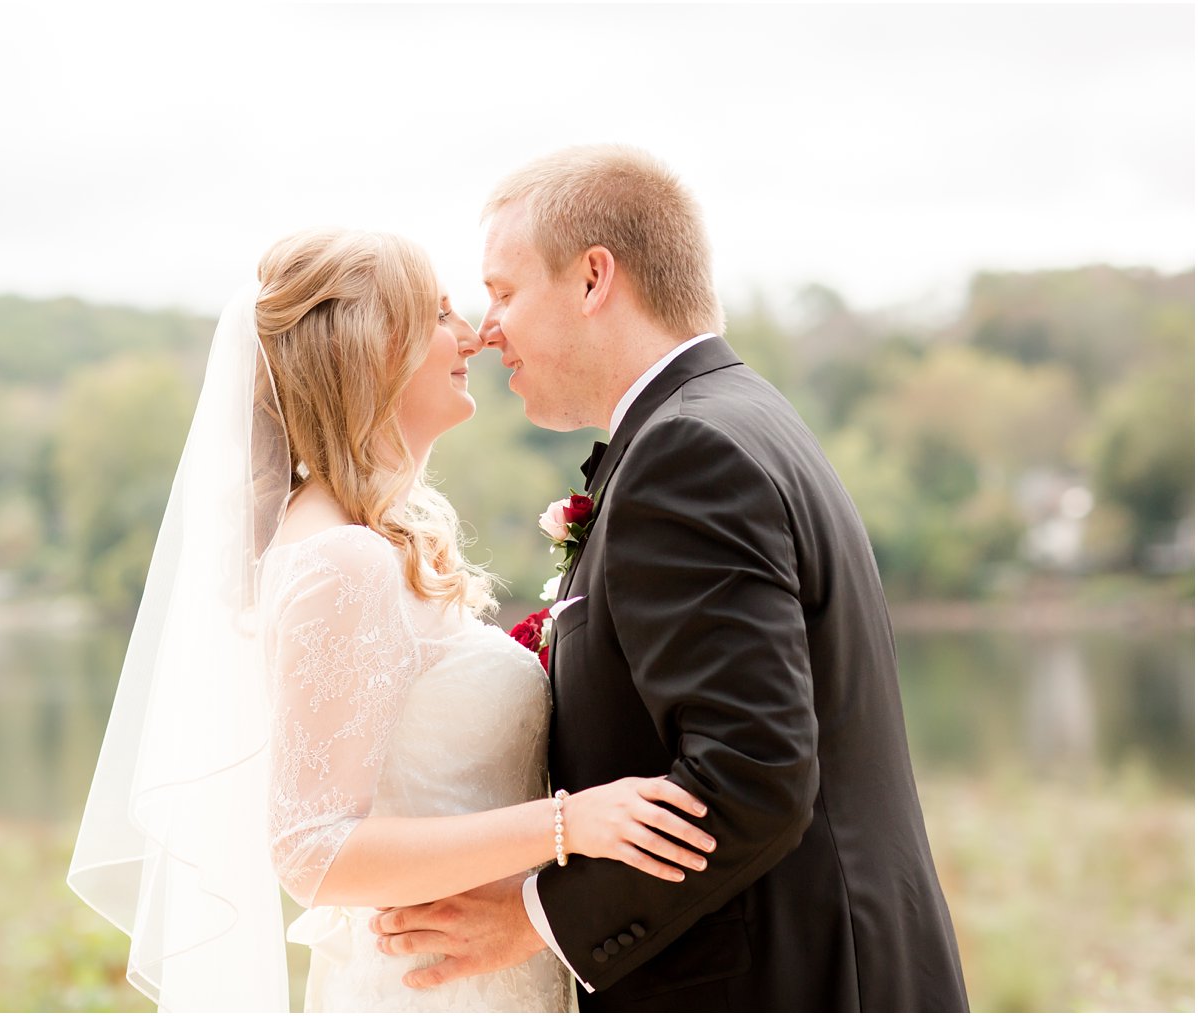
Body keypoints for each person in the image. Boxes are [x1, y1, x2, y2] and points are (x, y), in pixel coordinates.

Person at [370, 146, 971, 1011]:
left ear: (592, 278)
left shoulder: (688, 455)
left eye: (503, 291)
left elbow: (751, 772)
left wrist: (534, 919)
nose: (486, 327)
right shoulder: (736, 416)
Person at [68, 227, 717, 1012]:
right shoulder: (341, 561)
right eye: (440, 315)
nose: (475, 335)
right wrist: (566, 825)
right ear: (370, 350)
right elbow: (314, 850)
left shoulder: (362, 542)